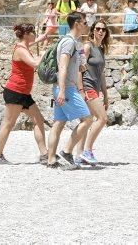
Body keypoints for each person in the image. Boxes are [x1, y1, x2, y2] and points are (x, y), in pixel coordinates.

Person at [0, 23, 48, 165]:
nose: (34, 34)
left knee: (39, 120)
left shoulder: (23, 46)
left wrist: (40, 39)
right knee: (8, 124)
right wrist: (42, 55)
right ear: (26, 35)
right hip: (15, 92)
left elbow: (29, 43)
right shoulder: (20, 50)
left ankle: (44, 155)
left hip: (24, 93)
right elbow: (34, 64)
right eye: (32, 33)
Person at [46, 12, 92, 170]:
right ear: (77, 23)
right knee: (87, 120)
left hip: (62, 87)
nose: (87, 25)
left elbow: (73, 66)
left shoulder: (73, 42)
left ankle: (51, 160)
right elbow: (63, 66)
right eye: (85, 22)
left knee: (58, 123)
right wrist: (63, 91)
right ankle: (66, 152)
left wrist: (81, 65)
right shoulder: (68, 42)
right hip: (66, 88)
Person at [75, 20, 110, 165]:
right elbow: (78, 68)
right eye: (98, 29)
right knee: (102, 119)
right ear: (93, 30)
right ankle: (87, 150)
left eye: (103, 29)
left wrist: (105, 94)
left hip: (95, 88)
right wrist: (81, 90)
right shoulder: (87, 46)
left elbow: (101, 74)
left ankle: (78, 155)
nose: (101, 31)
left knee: (87, 121)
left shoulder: (101, 49)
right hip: (87, 87)